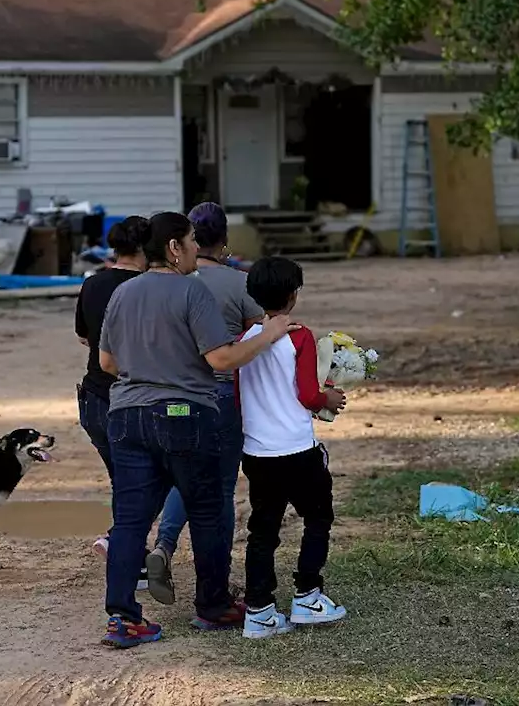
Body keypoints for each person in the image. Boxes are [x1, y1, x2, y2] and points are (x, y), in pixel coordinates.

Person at [97, 211, 297, 648]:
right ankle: (214, 606)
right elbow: (221, 359)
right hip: (184, 415)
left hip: (126, 417)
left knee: (129, 520)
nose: (195, 249)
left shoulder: (122, 291)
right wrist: (270, 332)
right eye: (190, 241)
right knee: (208, 510)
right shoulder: (192, 290)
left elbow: (107, 364)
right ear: (174, 247)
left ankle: (123, 619)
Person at [146, 202, 263, 606]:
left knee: (185, 477)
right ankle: (216, 581)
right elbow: (259, 334)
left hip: (175, 396)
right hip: (221, 395)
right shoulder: (239, 283)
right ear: (224, 239)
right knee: (221, 489)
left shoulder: (171, 282)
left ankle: (163, 544)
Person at [234, 256, 348, 639]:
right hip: (297, 449)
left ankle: (259, 610)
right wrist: (328, 399)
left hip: (257, 452)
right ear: (293, 295)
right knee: (318, 518)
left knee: (263, 530)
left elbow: (238, 395)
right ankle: (308, 595)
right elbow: (308, 394)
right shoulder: (299, 336)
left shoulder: (244, 340)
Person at [74, 216, 150, 589]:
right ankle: (122, 546)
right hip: (130, 398)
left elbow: (85, 338)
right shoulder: (145, 288)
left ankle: (130, 555)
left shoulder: (92, 284)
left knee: (125, 480)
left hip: (92, 398)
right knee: (145, 481)